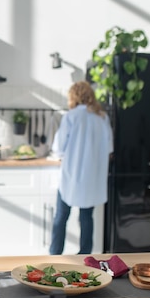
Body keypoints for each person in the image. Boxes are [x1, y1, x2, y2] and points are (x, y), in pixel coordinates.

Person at [49, 81, 113, 255]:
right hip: (92, 176)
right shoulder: (102, 117)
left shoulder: (71, 116)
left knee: (61, 217)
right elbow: (109, 148)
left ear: (73, 96)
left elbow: (59, 148)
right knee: (86, 217)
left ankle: (55, 255)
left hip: (71, 174)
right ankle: (85, 255)